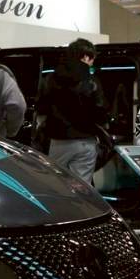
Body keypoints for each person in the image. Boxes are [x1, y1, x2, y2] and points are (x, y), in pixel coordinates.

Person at [36, 39, 108, 182]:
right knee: (81, 186)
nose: (92, 63)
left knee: (56, 183)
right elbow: (101, 110)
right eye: (92, 59)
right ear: (86, 57)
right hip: (85, 141)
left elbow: (41, 107)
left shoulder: (51, 78)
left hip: (57, 141)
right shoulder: (91, 81)